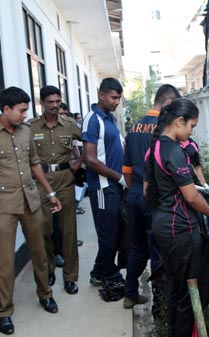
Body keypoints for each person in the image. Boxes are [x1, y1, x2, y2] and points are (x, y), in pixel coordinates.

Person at [144, 98, 209, 337]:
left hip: (163, 224)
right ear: (179, 121)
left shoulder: (155, 145)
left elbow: (149, 188)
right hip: (179, 229)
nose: (192, 132)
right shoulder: (173, 151)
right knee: (186, 294)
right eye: (192, 126)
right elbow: (191, 197)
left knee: (175, 290)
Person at [0, 86, 62, 335]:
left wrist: (50, 193)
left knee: (40, 252)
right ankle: (3, 312)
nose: (24, 115)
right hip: (4, 207)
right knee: (6, 261)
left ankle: (45, 295)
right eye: (21, 111)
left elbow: (34, 163)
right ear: (6, 109)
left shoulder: (26, 132)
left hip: (31, 201)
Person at [122, 84, 181, 310]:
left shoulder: (134, 127)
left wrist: (134, 191)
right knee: (158, 249)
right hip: (154, 198)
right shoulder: (164, 130)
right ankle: (160, 304)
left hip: (135, 194)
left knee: (137, 247)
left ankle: (130, 294)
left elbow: (126, 169)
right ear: (167, 103)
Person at [28, 86, 83, 295]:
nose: (54, 105)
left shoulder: (69, 125)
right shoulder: (31, 127)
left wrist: (78, 163)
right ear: (42, 103)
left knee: (69, 230)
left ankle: (70, 277)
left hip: (64, 179)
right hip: (42, 183)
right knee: (44, 230)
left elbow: (89, 141)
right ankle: (49, 270)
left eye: (57, 101)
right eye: (50, 102)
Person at [82, 77, 127, 296]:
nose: (116, 101)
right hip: (102, 186)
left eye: (119, 97)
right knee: (108, 234)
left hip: (115, 185)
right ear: (101, 95)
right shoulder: (93, 119)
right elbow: (89, 159)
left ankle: (99, 272)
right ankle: (111, 277)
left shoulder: (109, 119)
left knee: (115, 232)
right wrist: (119, 177)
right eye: (113, 97)